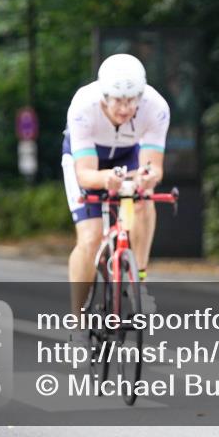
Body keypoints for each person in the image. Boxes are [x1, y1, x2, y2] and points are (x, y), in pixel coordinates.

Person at [61, 53, 169, 334]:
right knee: (90, 236)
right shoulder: (83, 106)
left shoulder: (155, 107)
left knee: (144, 200)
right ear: (103, 97)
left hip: (128, 154)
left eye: (132, 100)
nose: (126, 108)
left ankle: (139, 283)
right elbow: (85, 174)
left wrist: (147, 178)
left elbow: (153, 167)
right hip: (88, 157)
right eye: (118, 101)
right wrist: (106, 179)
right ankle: (78, 320)